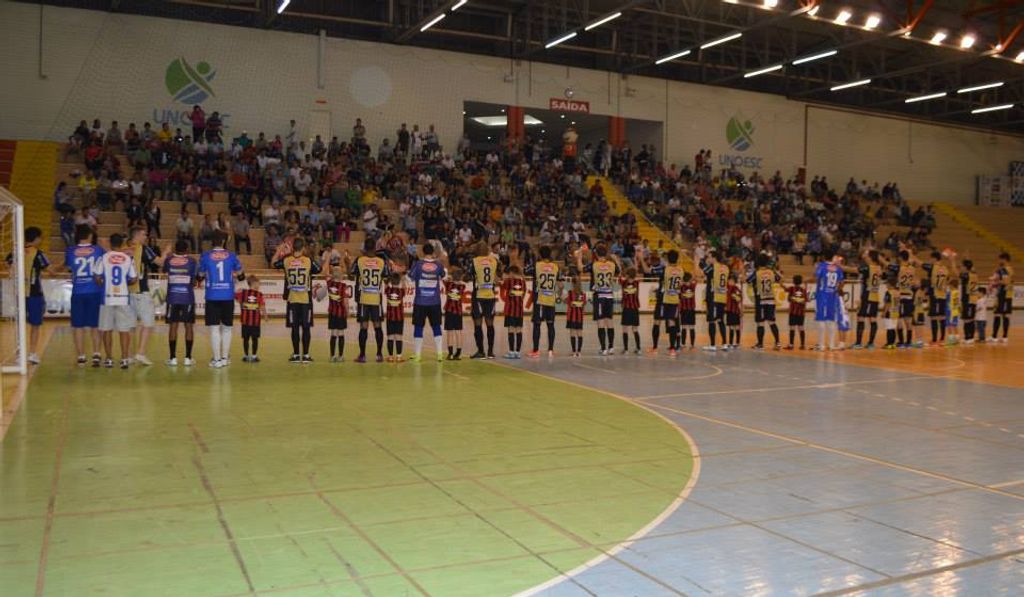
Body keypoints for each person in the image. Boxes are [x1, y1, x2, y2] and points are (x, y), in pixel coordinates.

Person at [198, 231, 245, 368]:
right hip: (227, 296)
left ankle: (217, 360)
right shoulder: (232, 256)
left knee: (214, 328)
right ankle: (225, 358)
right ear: (224, 241)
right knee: (227, 328)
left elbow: (200, 275)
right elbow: (241, 275)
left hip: (212, 295)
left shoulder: (205, 256)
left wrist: (201, 278)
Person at [274, 238, 321, 363]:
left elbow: (273, 263)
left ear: (293, 248)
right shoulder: (308, 261)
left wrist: (279, 250)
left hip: (292, 299)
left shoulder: (286, 260)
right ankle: (305, 355)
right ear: (303, 248)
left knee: (294, 327)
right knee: (306, 328)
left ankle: (295, 355)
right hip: (305, 300)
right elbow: (318, 269)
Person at [95, 233, 138, 369]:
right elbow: (134, 278)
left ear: (109, 243)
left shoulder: (103, 258)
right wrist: (125, 284)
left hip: (107, 298)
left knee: (107, 329)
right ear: (122, 243)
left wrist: (104, 284)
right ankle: (124, 358)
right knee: (124, 330)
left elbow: (97, 276)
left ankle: (108, 358)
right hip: (123, 298)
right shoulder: (128, 258)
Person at [65, 224, 105, 366]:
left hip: (78, 292)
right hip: (94, 291)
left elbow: (70, 267)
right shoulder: (98, 250)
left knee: (78, 326)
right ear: (89, 235)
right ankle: (96, 354)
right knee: (95, 325)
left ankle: (81, 356)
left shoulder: (70, 250)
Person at [12, 227, 49, 364]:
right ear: (37, 238)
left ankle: (19, 354)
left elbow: (7, 264)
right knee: (35, 325)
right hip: (34, 294)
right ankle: (32, 354)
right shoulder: (39, 254)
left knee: (19, 324)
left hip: (19, 294)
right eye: (40, 238)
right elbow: (51, 270)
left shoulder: (16, 252)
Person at [126, 227, 160, 365]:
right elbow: (159, 262)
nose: (146, 236)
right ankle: (140, 353)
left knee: (129, 325)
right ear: (138, 235)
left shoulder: (123, 248)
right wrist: (166, 252)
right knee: (148, 323)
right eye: (144, 234)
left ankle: (127, 355)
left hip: (126, 292)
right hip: (141, 290)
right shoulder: (142, 248)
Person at [407, 243, 446, 362]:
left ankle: (418, 355)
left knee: (418, 327)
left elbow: (409, 278)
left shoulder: (418, 265)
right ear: (433, 252)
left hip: (420, 302)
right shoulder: (438, 265)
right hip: (435, 301)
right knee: (436, 326)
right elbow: (444, 276)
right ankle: (440, 354)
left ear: (422, 252)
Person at [351, 238, 388, 362]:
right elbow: (386, 276)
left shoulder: (360, 260)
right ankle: (379, 354)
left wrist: (346, 262)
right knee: (378, 326)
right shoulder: (381, 261)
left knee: (364, 327)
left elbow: (351, 273)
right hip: (376, 299)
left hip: (364, 299)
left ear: (365, 249)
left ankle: (362, 355)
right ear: (375, 248)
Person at [162, 240, 198, 366]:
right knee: (188, 326)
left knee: (173, 326)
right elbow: (195, 282)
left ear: (175, 249)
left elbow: (164, 271)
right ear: (187, 249)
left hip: (172, 297)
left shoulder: (169, 260)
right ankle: (188, 358)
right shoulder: (192, 261)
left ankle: (172, 358)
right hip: (187, 298)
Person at [581, 245, 620, 355]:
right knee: (610, 321)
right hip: (609, 295)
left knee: (600, 322)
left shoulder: (594, 264)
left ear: (596, 254)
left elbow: (581, 269)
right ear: (606, 254)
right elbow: (619, 271)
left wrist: (579, 257)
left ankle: (603, 348)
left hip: (599, 295)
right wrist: (615, 259)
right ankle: (611, 347)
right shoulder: (611, 265)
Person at [527, 245, 562, 358]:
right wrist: (559, 295)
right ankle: (550, 350)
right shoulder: (555, 267)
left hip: (540, 301)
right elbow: (560, 285)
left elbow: (525, 270)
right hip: (550, 300)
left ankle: (536, 350)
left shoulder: (537, 266)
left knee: (537, 325)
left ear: (540, 255)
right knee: (550, 325)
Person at [469, 242, 501, 359]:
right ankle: (491, 352)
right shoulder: (494, 261)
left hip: (478, 295)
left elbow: (469, 275)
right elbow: (498, 277)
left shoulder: (474, 261)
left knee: (477, 323)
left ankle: (481, 351)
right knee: (490, 323)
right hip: (490, 295)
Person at [749, 253, 782, 350]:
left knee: (760, 323)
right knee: (772, 321)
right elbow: (779, 278)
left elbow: (747, 280)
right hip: (771, 299)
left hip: (761, 300)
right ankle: (777, 343)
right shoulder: (771, 272)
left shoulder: (757, 273)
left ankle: (760, 344)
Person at [853, 249, 884, 349]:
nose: (865, 256)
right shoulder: (879, 268)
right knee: (873, 318)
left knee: (861, 317)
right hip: (875, 295)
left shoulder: (868, 268)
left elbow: (854, 270)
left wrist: (839, 266)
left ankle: (858, 343)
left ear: (870, 257)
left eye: (867, 255)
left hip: (867, 295)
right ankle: (870, 343)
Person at [813, 250, 844, 351]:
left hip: (822, 295)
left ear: (823, 256)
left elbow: (816, 278)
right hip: (833, 296)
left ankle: (821, 345)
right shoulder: (838, 269)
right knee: (831, 320)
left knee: (821, 319)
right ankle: (831, 344)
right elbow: (841, 282)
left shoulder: (821, 266)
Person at [699, 251, 729, 351]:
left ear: (714, 258)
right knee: (721, 321)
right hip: (722, 297)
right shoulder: (725, 268)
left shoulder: (713, 267)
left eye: (710, 257)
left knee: (712, 321)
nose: (709, 259)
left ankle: (712, 345)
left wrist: (704, 259)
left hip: (714, 297)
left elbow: (701, 265)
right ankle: (724, 343)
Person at [921, 250, 952, 345]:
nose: (930, 260)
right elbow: (949, 278)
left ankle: (934, 339)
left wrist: (909, 253)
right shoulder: (945, 268)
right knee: (942, 317)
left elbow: (919, 263)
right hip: (943, 295)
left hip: (934, 294)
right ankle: (942, 338)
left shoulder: (932, 267)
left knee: (934, 317)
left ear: (934, 258)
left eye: (931, 258)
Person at [658, 250, 685, 356]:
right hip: (675, 299)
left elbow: (662, 280)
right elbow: (681, 283)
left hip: (667, 299)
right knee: (673, 322)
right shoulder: (681, 270)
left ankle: (673, 347)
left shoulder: (666, 270)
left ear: (668, 259)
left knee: (671, 323)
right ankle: (674, 346)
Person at [235, 275, 266, 362]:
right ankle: (249, 356)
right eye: (258, 284)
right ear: (253, 284)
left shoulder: (258, 294)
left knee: (250, 339)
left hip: (250, 322)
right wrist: (265, 315)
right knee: (249, 339)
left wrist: (265, 315)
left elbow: (262, 305)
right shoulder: (244, 293)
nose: (259, 285)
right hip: (250, 322)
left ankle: (251, 355)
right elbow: (235, 296)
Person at [499, 265, 526, 359]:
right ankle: (517, 352)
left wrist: (502, 275)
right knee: (518, 330)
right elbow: (523, 294)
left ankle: (511, 351)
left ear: (512, 273)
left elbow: (501, 285)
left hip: (510, 310)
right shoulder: (523, 283)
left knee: (510, 329)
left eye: (509, 273)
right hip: (519, 310)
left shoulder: (508, 281)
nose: (509, 275)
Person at [326, 266, 350, 362]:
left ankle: (332, 356)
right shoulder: (343, 286)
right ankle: (340, 356)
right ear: (341, 275)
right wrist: (347, 311)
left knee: (333, 333)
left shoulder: (329, 284)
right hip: (340, 313)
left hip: (332, 312)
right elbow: (345, 301)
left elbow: (325, 273)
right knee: (341, 333)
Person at [444, 270, 468, 360]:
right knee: (458, 332)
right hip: (458, 311)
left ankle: (450, 354)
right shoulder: (463, 286)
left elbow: (444, 279)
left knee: (450, 332)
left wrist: (449, 278)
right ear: (461, 277)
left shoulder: (448, 285)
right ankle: (458, 353)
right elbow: (462, 282)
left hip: (449, 311)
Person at [619, 267, 641, 354]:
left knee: (625, 328)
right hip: (635, 308)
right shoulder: (637, 283)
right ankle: (638, 348)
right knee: (635, 329)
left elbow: (619, 277)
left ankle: (626, 349)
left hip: (627, 308)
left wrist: (622, 272)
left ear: (627, 275)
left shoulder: (624, 283)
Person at [384, 274, 406, 362]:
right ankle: (399, 356)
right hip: (399, 318)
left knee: (390, 337)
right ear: (399, 282)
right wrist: (403, 280)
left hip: (390, 317)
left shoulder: (388, 290)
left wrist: (388, 280)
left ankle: (390, 356)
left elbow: (385, 285)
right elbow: (404, 287)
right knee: (399, 337)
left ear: (391, 281)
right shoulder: (401, 291)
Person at [992, 252, 1013, 343]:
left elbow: (1005, 282)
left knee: (1001, 314)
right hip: (1004, 294)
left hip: (1004, 295)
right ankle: (1000, 336)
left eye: (1000, 259)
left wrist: (995, 282)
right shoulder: (1005, 269)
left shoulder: (1006, 269)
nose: (999, 261)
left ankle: (998, 336)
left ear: (1004, 259)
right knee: (1001, 314)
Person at [959, 259, 979, 344]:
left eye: (962, 266)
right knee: (970, 319)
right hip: (973, 299)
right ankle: (969, 337)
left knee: (967, 319)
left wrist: (952, 260)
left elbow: (956, 274)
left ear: (965, 267)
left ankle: (968, 337)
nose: (961, 267)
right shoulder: (974, 275)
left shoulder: (966, 275)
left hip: (968, 299)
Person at [565, 278, 587, 357]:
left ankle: (574, 351)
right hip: (580, 316)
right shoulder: (583, 294)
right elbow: (584, 304)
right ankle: (579, 351)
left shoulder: (570, 293)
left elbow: (568, 303)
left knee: (572, 333)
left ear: (573, 284)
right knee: (580, 333)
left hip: (572, 316)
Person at [785, 275, 807, 350]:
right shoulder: (803, 290)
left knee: (792, 328)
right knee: (801, 328)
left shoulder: (791, 289)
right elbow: (805, 300)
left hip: (793, 312)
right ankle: (803, 345)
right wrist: (799, 300)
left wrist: (780, 283)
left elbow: (788, 298)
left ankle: (791, 344)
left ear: (793, 281)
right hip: (801, 312)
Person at [678, 272, 698, 350]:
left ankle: (689, 344)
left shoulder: (690, 286)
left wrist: (686, 280)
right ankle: (685, 344)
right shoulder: (682, 286)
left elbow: (695, 279)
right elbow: (695, 279)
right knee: (686, 327)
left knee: (689, 327)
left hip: (689, 309)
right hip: (685, 309)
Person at [881, 272, 900, 349]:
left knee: (889, 328)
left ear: (890, 284)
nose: (886, 285)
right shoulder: (897, 292)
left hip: (889, 312)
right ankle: (893, 343)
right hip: (896, 312)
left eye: (887, 284)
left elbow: (887, 303)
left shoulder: (888, 292)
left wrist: (884, 312)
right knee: (893, 328)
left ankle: (889, 343)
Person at [725, 274, 743, 349]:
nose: (730, 282)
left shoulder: (736, 289)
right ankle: (731, 343)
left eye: (732, 281)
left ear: (734, 282)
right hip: (729, 310)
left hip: (735, 310)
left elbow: (739, 299)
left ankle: (738, 343)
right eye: (729, 280)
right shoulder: (726, 288)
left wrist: (741, 310)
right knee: (731, 327)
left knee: (737, 327)